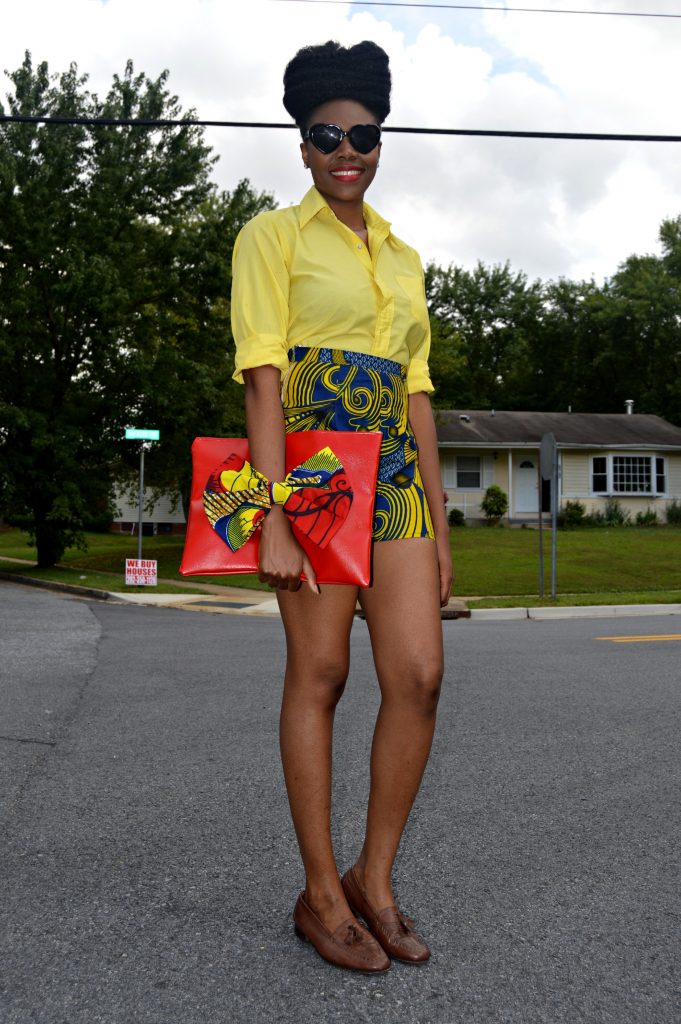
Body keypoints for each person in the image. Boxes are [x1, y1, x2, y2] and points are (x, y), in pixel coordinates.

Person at [231, 40, 453, 973]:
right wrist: (274, 511)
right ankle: (320, 895)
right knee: (319, 672)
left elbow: (418, 394)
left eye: (361, 133)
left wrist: (439, 526)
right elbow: (261, 378)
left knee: (419, 675)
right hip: (314, 476)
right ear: (302, 143)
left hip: (397, 482)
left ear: (378, 135)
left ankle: (375, 877)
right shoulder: (271, 238)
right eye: (325, 134)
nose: (345, 149)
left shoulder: (402, 255)